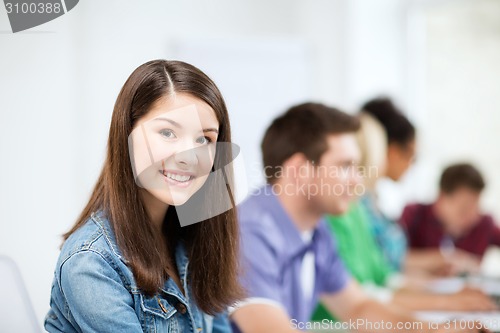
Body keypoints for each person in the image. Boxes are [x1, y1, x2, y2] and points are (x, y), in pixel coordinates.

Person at [230, 102, 483, 333]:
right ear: (299, 170)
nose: (357, 180)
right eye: (345, 166)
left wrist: (435, 331)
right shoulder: (250, 232)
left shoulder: (316, 231)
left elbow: (358, 307)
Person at [44, 60, 243, 333]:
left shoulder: (195, 237)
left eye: (204, 140)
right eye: (167, 132)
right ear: (126, 133)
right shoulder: (92, 261)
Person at [312, 114, 495, 319]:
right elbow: (366, 298)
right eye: (346, 166)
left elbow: (385, 280)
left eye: (356, 167)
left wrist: (447, 297)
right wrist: (444, 306)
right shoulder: (331, 218)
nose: (357, 178)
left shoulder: (355, 211)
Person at [400, 163, 500, 276]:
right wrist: (441, 260)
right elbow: (390, 258)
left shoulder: (484, 224)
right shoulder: (414, 215)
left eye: (476, 207)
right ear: (441, 197)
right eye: (464, 209)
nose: (472, 216)